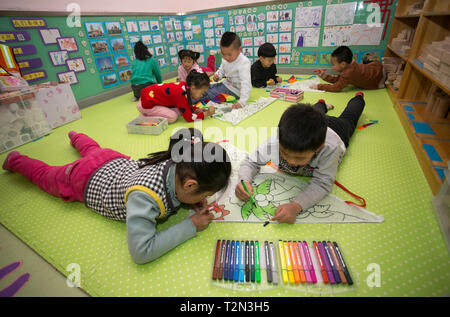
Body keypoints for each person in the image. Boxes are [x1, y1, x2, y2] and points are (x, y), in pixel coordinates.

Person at [2, 128, 231, 264]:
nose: (207, 199)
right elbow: (142, 252)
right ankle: (16, 160)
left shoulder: (179, 157)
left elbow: (183, 190)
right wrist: (190, 226)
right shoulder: (146, 197)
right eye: (207, 194)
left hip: (111, 159)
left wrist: (193, 198)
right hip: (82, 179)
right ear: (190, 185)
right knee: (45, 175)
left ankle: (76, 135)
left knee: (93, 150)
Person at [235, 92, 366, 224]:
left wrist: (296, 206)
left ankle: (358, 98)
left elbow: (323, 183)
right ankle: (321, 103)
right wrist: (244, 180)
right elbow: (250, 162)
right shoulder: (276, 142)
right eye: (284, 153)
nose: (291, 162)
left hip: (338, 130)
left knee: (349, 117)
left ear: (318, 149)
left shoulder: (329, 149)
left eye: (299, 158)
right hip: (314, 130)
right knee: (315, 112)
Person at [196, 32, 251, 109]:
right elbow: (222, 69)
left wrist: (242, 102)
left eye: (229, 55)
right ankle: (185, 93)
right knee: (205, 86)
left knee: (207, 94)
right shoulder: (225, 58)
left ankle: (187, 100)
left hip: (234, 91)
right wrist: (218, 75)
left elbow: (246, 84)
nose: (226, 57)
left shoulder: (244, 62)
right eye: (223, 54)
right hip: (224, 84)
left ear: (239, 50)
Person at [137, 70, 215, 123]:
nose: (201, 95)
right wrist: (206, 114)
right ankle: (144, 117)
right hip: (145, 104)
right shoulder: (180, 94)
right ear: (193, 87)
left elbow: (186, 105)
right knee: (172, 117)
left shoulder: (185, 87)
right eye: (202, 92)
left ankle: (149, 113)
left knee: (179, 111)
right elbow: (189, 118)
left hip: (149, 97)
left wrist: (197, 110)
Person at [311, 46, 385, 92]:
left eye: (333, 64)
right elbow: (340, 80)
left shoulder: (349, 72)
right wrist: (324, 76)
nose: (332, 67)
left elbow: (336, 87)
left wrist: (319, 86)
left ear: (343, 64)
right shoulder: (351, 65)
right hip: (376, 67)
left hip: (379, 76)